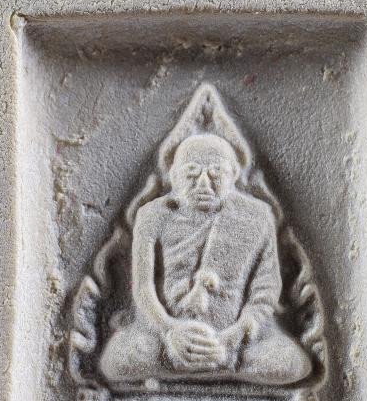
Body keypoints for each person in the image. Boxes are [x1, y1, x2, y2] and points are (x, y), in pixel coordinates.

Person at [99, 133, 312, 386]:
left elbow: (265, 291)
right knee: (116, 360)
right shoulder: (153, 215)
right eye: (191, 173)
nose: (203, 184)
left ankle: (208, 365)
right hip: (166, 336)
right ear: (174, 176)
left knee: (292, 363)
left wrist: (235, 336)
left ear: (233, 174)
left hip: (234, 339)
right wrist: (169, 330)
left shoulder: (256, 216)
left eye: (215, 174)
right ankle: (214, 370)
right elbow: (143, 288)